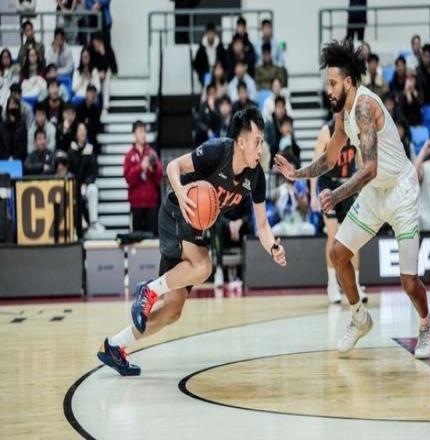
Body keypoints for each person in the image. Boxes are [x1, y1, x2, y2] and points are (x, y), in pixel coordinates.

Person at [96, 107, 287, 376]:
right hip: (177, 211)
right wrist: (182, 192)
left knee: (172, 309)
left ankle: (114, 346)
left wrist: (273, 247)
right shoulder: (217, 151)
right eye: (257, 141)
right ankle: (148, 290)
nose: (261, 148)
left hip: (194, 226)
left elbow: (263, 225)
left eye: (262, 142)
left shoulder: (256, 177)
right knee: (203, 266)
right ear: (241, 142)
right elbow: (173, 167)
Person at [274, 39, 430, 359]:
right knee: (338, 253)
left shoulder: (363, 106)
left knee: (408, 281)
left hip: (401, 191)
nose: (328, 90)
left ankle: (426, 323)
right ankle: (360, 318)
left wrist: (336, 194)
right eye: (327, 84)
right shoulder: (343, 113)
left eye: (333, 84)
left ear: (348, 82)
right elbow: (330, 158)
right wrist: (297, 174)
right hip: (375, 192)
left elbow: (370, 168)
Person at [310, 119, 367, 304]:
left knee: (353, 237)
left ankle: (355, 284)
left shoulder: (355, 131)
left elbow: (361, 162)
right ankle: (332, 284)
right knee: (333, 235)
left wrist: (364, 187)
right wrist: (313, 195)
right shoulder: (326, 131)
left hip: (346, 186)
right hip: (328, 186)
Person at [123, 120, 163, 235]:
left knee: (153, 238)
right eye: (140, 131)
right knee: (136, 238)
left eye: (144, 131)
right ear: (134, 134)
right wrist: (140, 167)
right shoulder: (129, 155)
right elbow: (129, 179)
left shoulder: (151, 153)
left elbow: (159, 176)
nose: (143, 134)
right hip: (136, 204)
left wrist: (153, 169)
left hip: (151, 203)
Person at [68, 122, 104, 235]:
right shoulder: (71, 150)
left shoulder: (90, 149)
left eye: (84, 130)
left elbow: (94, 171)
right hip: (74, 185)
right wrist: (76, 184)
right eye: (80, 130)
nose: (82, 133)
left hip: (86, 185)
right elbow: (70, 170)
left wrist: (86, 183)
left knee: (93, 189)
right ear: (76, 134)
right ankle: (74, 225)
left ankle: (93, 222)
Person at [212, 194, 253, 288]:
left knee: (250, 227)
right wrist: (229, 224)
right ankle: (219, 270)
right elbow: (216, 213)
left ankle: (244, 272)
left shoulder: (245, 192)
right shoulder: (221, 190)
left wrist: (239, 223)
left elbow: (248, 214)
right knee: (217, 226)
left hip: (240, 228)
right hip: (225, 227)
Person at [272, 150, 315, 237]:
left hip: (299, 221)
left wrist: (295, 195)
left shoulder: (301, 186)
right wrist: (279, 202)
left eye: (291, 171)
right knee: (274, 231)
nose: (289, 174)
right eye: (287, 172)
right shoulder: (280, 190)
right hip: (285, 222)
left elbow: (305, 209)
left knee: (310, 229)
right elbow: (276, 213)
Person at [192, 22, 226, 87]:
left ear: (214, 33)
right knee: (207, 83)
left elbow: (224, 60)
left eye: (212, 33)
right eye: (209, 33)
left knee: (219, 77)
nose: (210, 35)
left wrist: (220, 68)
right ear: (206, 34)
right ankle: (206, 91)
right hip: (206, 72)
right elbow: (197, 64)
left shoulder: (219, 46)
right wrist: (201, 72)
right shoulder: (202, 47)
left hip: (217, 70)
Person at [76, 85, 101, 150]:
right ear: (86, 94)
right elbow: (78, 123)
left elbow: (97, 126)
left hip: (91, 136)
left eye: (94, 94)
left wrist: (87, 123)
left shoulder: (96, 109)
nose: (92, 96)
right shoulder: (79, 107)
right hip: (80, 135)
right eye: (90, 93)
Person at [264, 95, 287, 165]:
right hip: (272, 157)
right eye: (278, 107)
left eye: (282, 107)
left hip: (286, 156)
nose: (280, 110)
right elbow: (266, 144)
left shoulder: (288, 122)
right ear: (275, 108)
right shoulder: (269, 123)